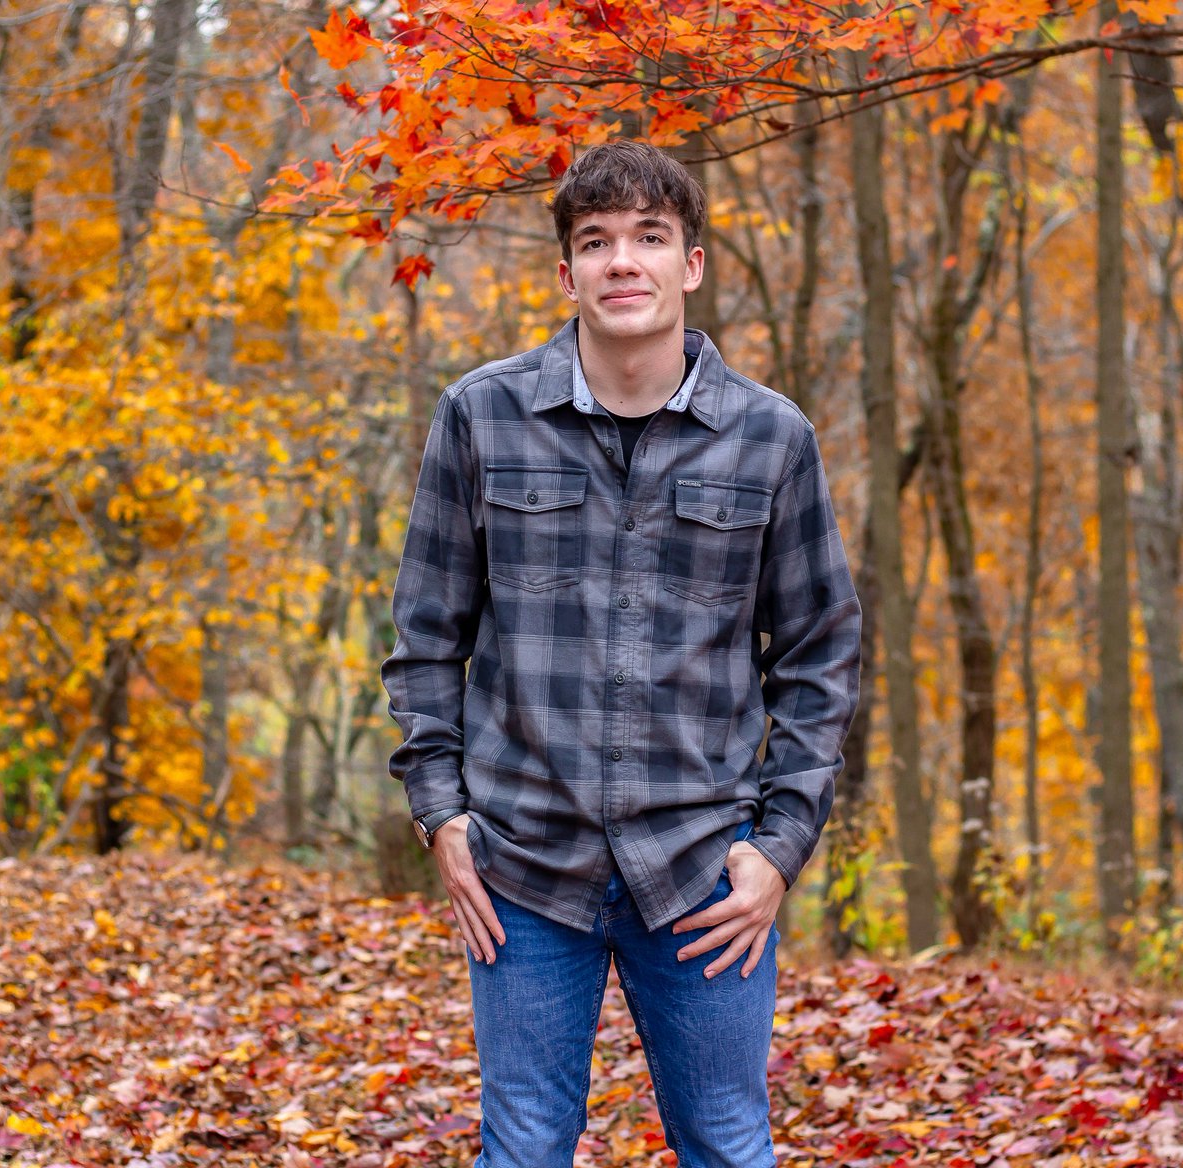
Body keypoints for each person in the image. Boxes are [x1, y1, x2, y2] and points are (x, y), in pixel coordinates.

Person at [381, 139, 861, 1168]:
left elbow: (821, 654)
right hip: (522, 869)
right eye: (595, 242)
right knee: (519, 1152)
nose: (622, 262)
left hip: (703, 876)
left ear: (691, 262)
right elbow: (425, 637)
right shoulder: (481, 416)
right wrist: (442, 813)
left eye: (650, 237)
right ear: (566, 273)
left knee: (729, 1146)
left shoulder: (773, 439)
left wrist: (778, 849)